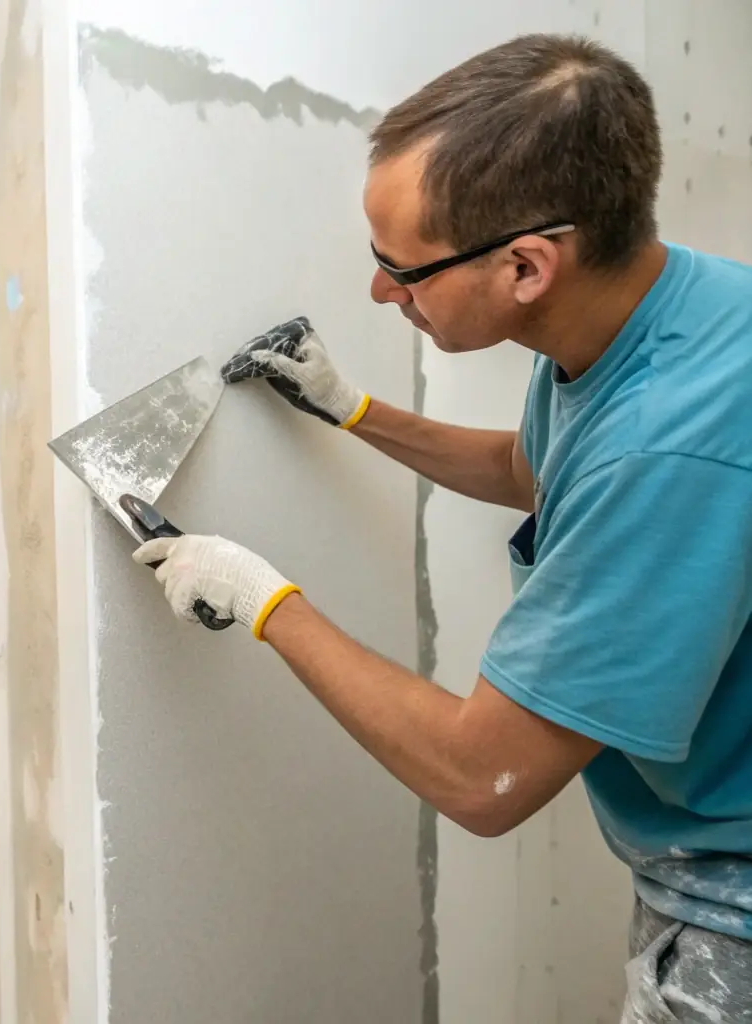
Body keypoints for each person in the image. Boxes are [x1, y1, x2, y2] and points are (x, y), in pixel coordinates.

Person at [133, 34, 752, 1023]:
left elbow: (482, 777)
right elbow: (537, 471)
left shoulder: (670, 448)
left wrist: (262, 598)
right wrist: (353, 410)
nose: (381, 291)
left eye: (402, 268)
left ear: (525, 266)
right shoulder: (664, 310)